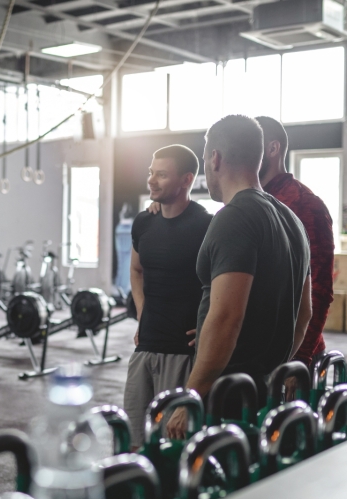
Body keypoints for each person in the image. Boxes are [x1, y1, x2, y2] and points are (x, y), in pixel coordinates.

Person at [166, 115, 312, 439]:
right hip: (262, 394)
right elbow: (303, 316)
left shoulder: (234, 218)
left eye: (205, 160)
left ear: (214, 158)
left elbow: (227, 319)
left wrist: (189, 399)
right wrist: (268, 366)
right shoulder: (293, 221)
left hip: (226, 397)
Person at [123, 145, 212, 447]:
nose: (151, 180)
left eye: (161, 175)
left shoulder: (207, 225)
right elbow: (136, 271)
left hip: (183, 353)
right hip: (145, 347)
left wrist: (209, 326)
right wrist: (142, 312)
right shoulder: (143, 222)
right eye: (151, 173)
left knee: (174, 445)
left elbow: (224, 286)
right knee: (134, 441)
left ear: (186, 180)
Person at [256, 115, 334, 367]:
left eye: (251, 146)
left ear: (272, 148)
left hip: (292, 353)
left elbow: (319, 289)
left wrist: (301, 357)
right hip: (250, 348)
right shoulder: (242, 204)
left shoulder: (306, 205)